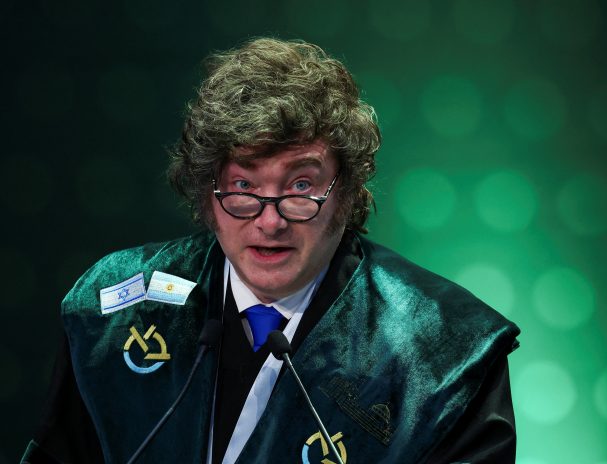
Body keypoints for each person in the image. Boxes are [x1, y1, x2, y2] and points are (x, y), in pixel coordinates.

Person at [22, 38, 520, 464]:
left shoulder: (446, 354)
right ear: (207, 193)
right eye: (243, 185)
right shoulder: (115, 310)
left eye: (301, 185)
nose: (270, 221)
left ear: (346, 193)